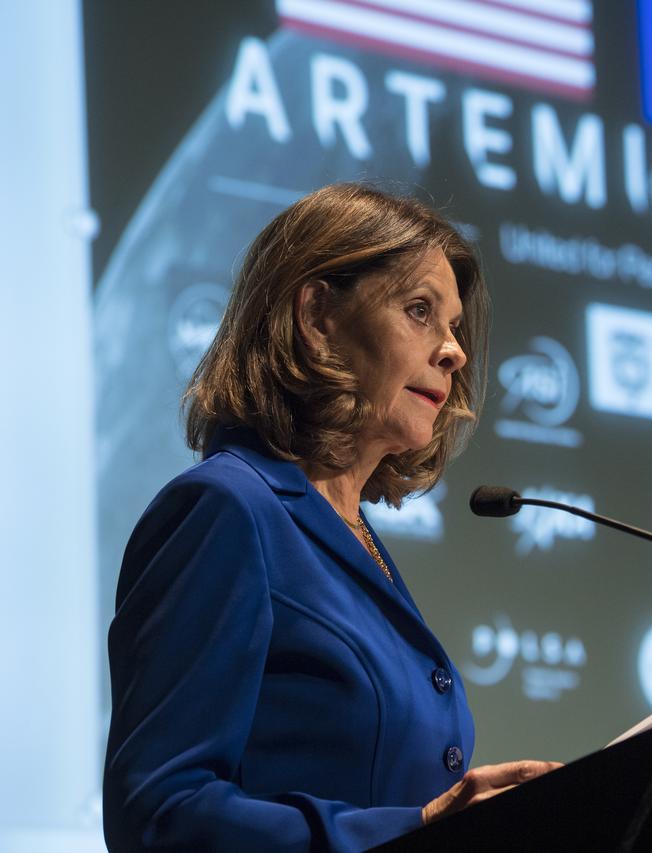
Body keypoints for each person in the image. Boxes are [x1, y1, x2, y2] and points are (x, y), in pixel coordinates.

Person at [103, 183, 558, 852]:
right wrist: (416, 827)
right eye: (420, 310)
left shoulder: (354, 536)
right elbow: (157, 811)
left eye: (454, 326)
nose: (453, 350)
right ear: (317, 316)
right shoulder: (227, 510)